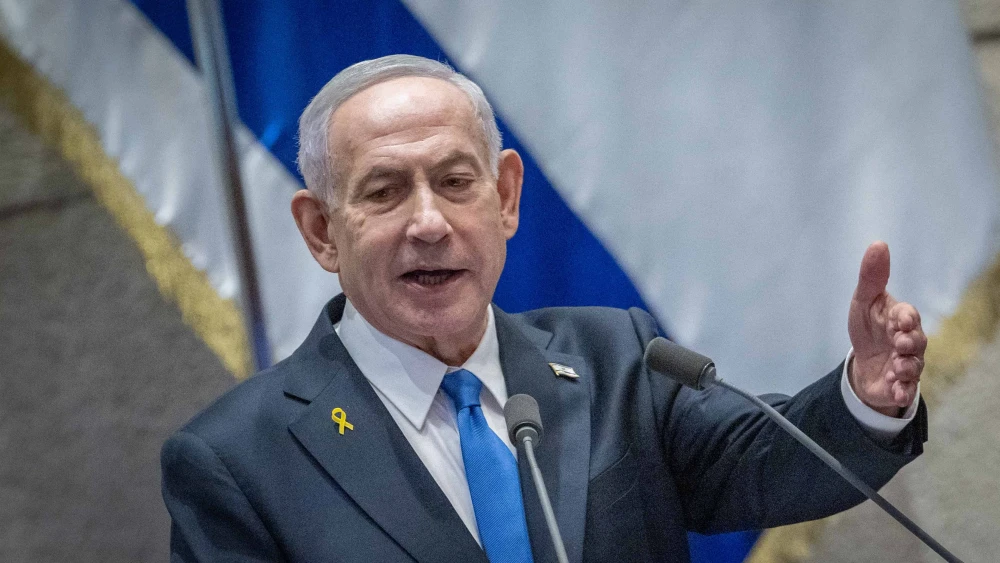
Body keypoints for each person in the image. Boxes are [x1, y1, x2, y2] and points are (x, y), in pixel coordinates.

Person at [161, 55, 927, 563]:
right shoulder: (236, 460)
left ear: (506, 198)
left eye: (457, 182)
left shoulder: (615, 356)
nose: (429, 222)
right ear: (322, 230)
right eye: (385, 191)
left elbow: (770, 466)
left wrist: (864, 394)